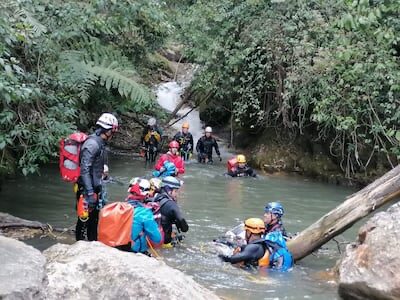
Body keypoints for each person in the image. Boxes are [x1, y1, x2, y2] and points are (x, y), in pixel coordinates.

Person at [76, 112, 118, 241]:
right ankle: (80, 245)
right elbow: (84, 169)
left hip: (94, 188)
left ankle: (92, 243)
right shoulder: (92, 144)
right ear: (107, 130)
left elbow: (93, 166)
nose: (113, 134)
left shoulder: (100, 143)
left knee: (93, 221)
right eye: (112, 131)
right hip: (86, 189)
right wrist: (89, 193)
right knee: (83, 221)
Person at [218, 218, 293, 271]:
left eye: (246, 231)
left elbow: (232, 259)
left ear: (249, 232)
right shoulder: (263, 243)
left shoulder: (254, 247)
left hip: (269, 275)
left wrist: (219, 256)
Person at [125, 178, 162, 254]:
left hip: (117, 246)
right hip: (134, 252)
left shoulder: (120, 207)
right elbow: (157, 239)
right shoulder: (144, 213)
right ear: (146, 195)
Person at [154, 176, 189, 247]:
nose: (177, 194)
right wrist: (184, 228)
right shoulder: (171, 204)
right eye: (175, 191)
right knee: (182, 239)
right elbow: (183, 224)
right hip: (164, 242)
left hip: (151, 237)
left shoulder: (154, 197)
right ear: (168, 190)